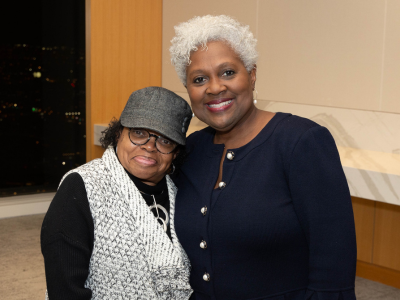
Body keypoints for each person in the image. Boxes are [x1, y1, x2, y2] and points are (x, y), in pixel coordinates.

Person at [169, 15, 357, 300]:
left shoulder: (300, 141)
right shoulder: (191, 149)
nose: (215, 87)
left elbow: (333, 266)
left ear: (252, 74)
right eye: (199, 79)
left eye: (228, 72)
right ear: (188, 88)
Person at [41, 87, 193, 299]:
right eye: (139, 133)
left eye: (165, 140)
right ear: (118, 133)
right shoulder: (81, 187)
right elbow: (64, 288)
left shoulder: (182, 192)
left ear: (175, 153)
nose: (150, 146)